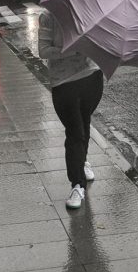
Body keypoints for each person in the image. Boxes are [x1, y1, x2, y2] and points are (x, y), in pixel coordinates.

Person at [38, 11, 103, 209]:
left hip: (91, 77)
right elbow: (43, 51)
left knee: (83, 123)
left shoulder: (90, 13)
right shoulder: (49, 17)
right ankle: (77, 185)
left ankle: (81, 162)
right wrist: (72, 49)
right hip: (63, 82)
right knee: (75, 132)